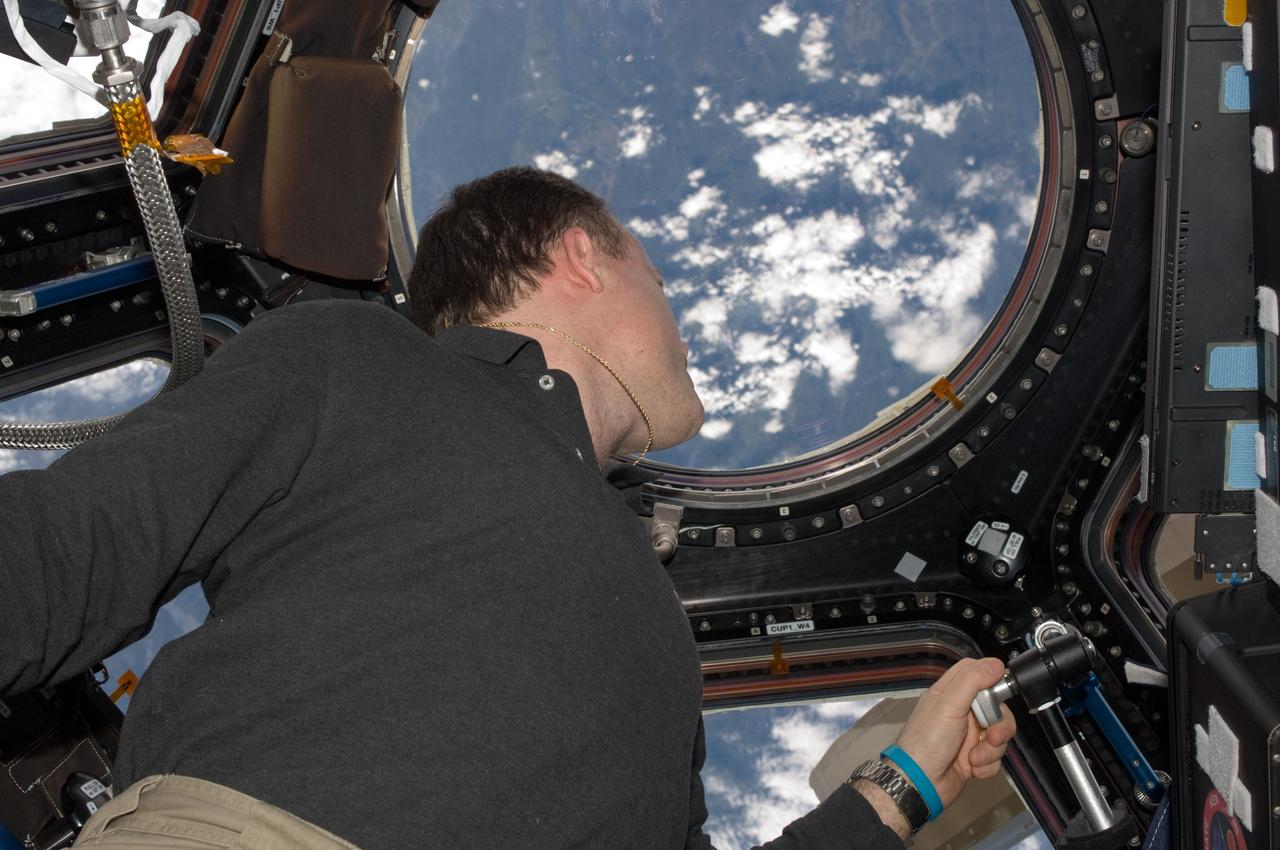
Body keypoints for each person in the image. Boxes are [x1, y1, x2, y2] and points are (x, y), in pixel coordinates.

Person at [0, 166, 1015, 849]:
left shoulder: (649, 624)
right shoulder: (359, 357)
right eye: (658, 279)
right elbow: (64, 552)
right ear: (581, 255)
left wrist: (903, 783)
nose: (681, 325)